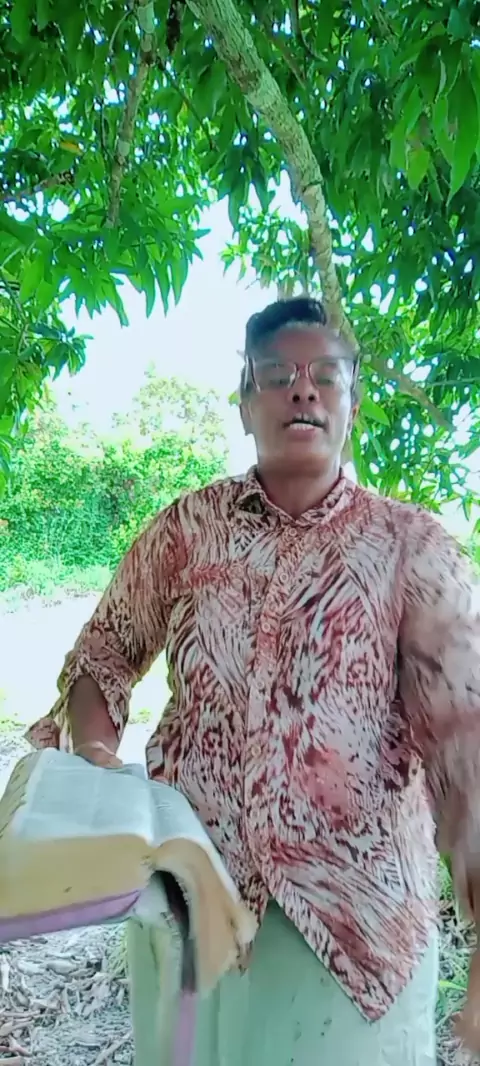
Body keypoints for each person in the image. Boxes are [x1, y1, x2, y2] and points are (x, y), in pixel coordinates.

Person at [28, 296, 480, 1065]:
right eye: (276, 374)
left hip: (352, 931)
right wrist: (100, 764)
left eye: (325, 376)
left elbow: (466, 745)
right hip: (191, 912)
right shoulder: (185, 530)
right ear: (244, 403)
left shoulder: (412, 548)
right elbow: (102, 654)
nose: (302, 390)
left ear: (351, 404)